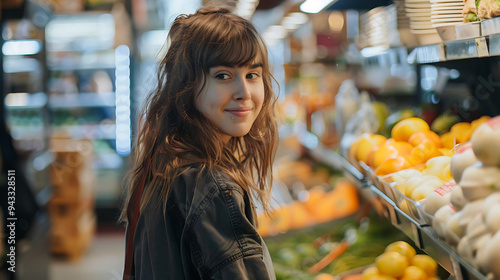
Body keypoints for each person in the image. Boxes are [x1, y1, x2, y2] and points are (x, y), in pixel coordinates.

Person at [121, 6, 279, 280]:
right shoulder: (213, 187)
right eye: (223, 76)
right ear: (187, 85)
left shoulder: (166, 158)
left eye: (252, 75)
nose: (244, 93)